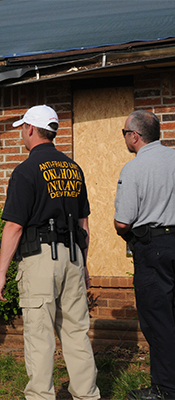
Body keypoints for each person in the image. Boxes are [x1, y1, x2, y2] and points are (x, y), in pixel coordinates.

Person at [0, 105, 100, 400]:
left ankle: (41, 396)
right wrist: (84, 266)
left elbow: (14, 226)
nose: (22, 135)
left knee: (40, 336)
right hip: (74, 257)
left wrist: (1, 273)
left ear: (30, 129)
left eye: (22, 129)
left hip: (40, 259)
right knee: (76, 332)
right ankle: (87, 395)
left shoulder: (25, 171)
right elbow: (83, 223)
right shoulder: (72, 168)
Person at [114, 110, 175, 400]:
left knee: (158, 321)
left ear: (134, 136)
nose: (125, 137)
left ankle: (164, 390)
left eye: (125, 132)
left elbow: (123, 221)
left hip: (153, 249)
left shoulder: (134, 168)